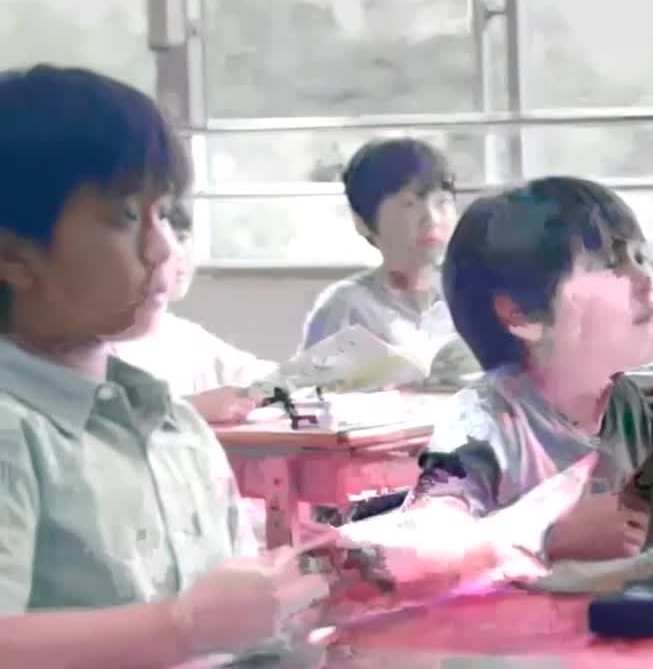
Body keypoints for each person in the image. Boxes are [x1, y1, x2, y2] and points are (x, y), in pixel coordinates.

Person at [0, 64, 329, 667]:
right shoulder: (11, 430)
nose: (162, 250)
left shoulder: (176, 427)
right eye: (126, 217)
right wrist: (180, 628)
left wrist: (296, 607)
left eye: (166, 214)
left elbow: (236, 635)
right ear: (14, 256)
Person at [404, 176, 653, 562]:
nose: (645, 279)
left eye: (641, 257)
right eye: (610, 264)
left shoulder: (634, 402)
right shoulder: (481, 421)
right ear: (522, 313)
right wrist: (548, 537)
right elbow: (421, 543)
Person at [299, 139, 476, 375]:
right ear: (362, 221)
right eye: (409, 204)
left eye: (442, 202)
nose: (431, 218)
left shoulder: (473, 296)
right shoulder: (346, 306)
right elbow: (309, 388)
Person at [109, 200, 276, 424]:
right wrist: (192, 407)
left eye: (182, 238)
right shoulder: (91, 344)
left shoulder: (182, 334)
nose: (174, 252)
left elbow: (257, 373)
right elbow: (99, 417)